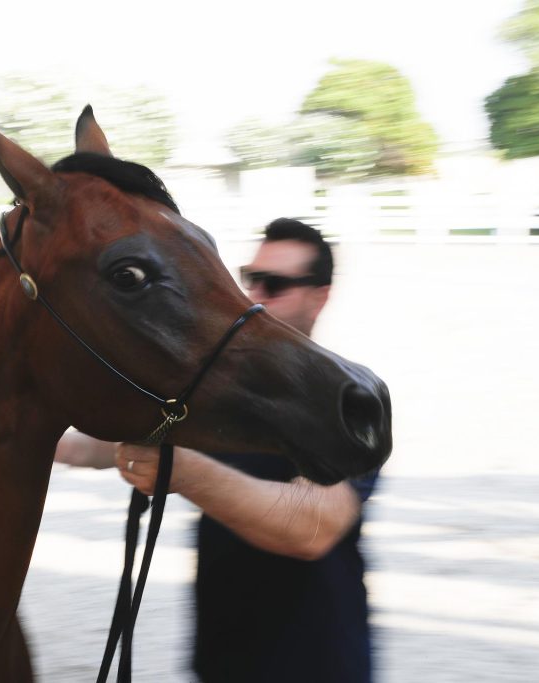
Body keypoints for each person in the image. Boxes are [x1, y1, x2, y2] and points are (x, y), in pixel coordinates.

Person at [54, 218, 380, 682]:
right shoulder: (217, 389)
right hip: (221, 662)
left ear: (320, 296)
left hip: (316, 665)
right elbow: (108, 445)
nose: (255, 294)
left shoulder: (343, 401)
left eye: (276, 284)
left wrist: (183, 471)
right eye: (250, 277)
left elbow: (313, 526)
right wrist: (42, 441)